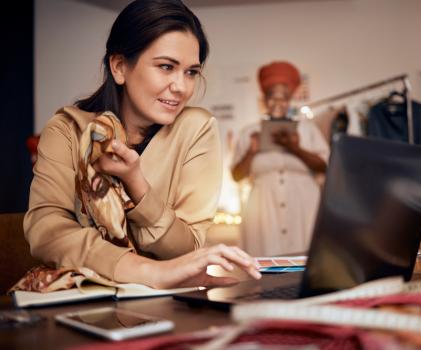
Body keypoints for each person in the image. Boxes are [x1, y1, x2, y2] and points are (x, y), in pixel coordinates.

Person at [23, 0, 261, 290]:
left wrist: (138, 185)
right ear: (120, 67)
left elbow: (187, 249)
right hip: (80, 297)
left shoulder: (196, 128)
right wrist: (150, 272)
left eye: (191, 72)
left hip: (166, 305)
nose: (182, 87)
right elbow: (47, 232)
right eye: (166, 67)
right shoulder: (68, 130)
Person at [231, 61, 330, 256]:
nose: (278, 103)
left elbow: (324, 166)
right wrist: (252, 151)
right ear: (263, 101)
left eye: (283, 98)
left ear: (289, 100)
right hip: (263, 211)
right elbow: (236, 176)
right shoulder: (249, 133)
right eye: (271, 97)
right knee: (266, 265)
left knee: (305, 262)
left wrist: (295, 148)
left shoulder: (307, 130)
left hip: (304, 208)